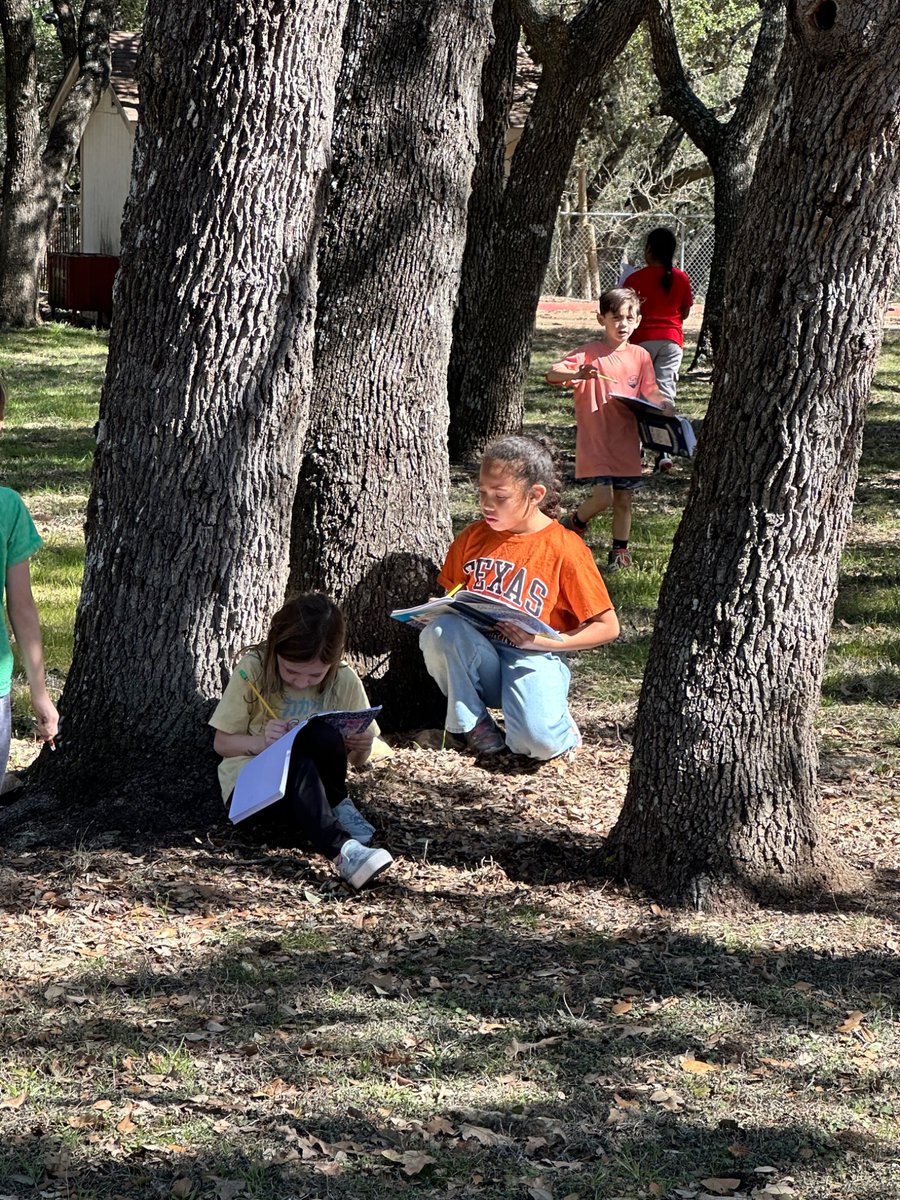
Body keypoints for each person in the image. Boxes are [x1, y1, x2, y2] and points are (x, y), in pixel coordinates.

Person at [419, 435, 619, 758]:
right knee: (440, 632)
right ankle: (474, 724)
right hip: (482, 659)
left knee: (536, 745)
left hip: (534, 656)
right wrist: (440, 608)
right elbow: (452, 594)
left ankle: (557, 726)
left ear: (535, 495)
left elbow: (608, 626)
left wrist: (548, 643)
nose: (487, 504)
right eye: (482, 493)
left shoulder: (564, 547)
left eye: (500, 496)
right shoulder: (472, 537)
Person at [209, 593, 393, 891]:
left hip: (315, 794)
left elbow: (356, 760)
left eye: (314, 675)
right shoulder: (253, 669)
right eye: (291, 671)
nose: (301, 682)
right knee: (296, 761)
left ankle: (336, 806)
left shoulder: (343, 680)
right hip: (252, 796)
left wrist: (363, 746)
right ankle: (344, 852)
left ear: (333, 663)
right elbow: (222, 743)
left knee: (323, 733)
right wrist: (262, 743)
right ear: (275, 650)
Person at [546, 287, 673, 571]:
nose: (623, 324)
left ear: (639, 320)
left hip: (626, 440)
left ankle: (620, 552)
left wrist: (664, 404)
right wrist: (577, 373)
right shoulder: (589, 353)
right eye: (616, 317)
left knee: (624, 499)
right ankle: (574, 522)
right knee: (604, 498)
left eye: (630, 317)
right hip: (596, 439)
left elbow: (650, 391)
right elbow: (552, 374)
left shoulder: (641, 356)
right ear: (601, 318)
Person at [0, 381, 59, 783]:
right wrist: (39, 691)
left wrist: (39, 690)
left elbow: (22, 608)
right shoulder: (7, 506)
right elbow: (21, 608)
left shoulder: (8, 507)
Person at [626, 227, 693, 471]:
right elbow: (684, 311)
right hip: (672, 341)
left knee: (637, 393)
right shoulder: (681, 278)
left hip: (641, 340)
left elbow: (628, 311)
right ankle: (664, 451)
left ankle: (635, 446)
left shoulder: (635, 279)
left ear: (649, 250)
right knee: (664, 395)